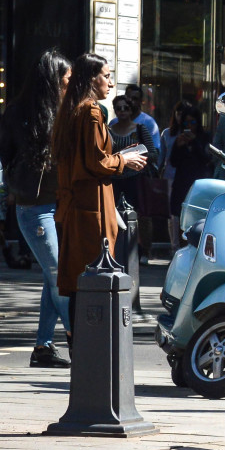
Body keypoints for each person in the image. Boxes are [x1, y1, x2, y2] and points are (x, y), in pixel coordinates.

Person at [51, 54, 147, 334]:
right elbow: (96, 162)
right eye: (106, 75)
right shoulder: (90, 112)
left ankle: (79, 344)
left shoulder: (71, 110)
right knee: (94, 276)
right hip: (92, 203)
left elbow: (88, 159)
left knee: (80, 281)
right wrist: (124, 161)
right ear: (91, 79)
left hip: (77, 203)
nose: (110, 81)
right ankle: (87, 345)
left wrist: (116, 157)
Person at [0, 50, 73, 367]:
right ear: (53, 81)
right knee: (59, 275)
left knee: (51, 276)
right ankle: (79, 336)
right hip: (35, 207)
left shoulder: (65, 112)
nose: (71, 85)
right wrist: (8, 193)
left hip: (60, 205)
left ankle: (43, 347)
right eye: (67, 80)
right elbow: (1, 157)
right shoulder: (20, 113)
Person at [166, 103, 210, 244]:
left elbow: (206, 159)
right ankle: (179, 246)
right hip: (182, 182)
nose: (189, 126)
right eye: (186, 122)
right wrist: (179, 147)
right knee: (179, 216)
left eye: (192, 122)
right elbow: (173, 162)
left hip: (199, 183)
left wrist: (194, 142)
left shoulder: (204, 138)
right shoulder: (179, 138)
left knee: (199, 217)